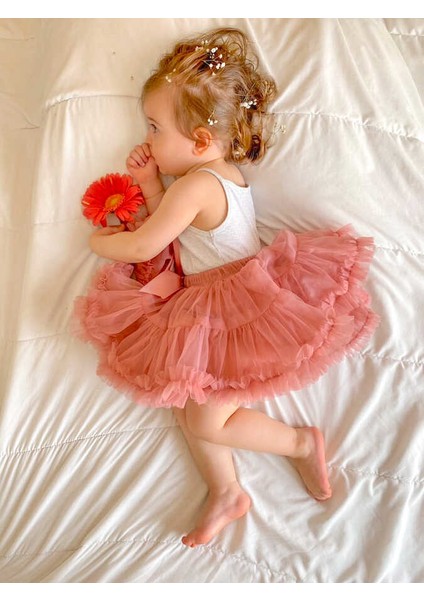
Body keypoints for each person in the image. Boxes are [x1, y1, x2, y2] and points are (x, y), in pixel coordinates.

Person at [74, 27, 379, 548]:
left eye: (154, 128)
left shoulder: (195, 186)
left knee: (206, 421)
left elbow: (147, 244)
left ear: (197, 140)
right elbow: (183, 229)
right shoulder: (219, 176)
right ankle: (226, 491)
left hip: (226, 308)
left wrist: (100, 242)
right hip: (217, 300)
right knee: (190, 406)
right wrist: (149, 185)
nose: (147, 138)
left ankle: (299, 443)